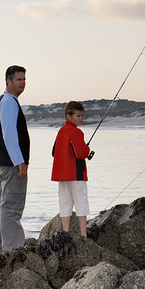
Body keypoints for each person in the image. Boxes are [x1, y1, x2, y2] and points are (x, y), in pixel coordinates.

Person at [0, 65, 30, 252]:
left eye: (24, 79)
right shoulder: (8, 102)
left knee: (0, 204)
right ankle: (13, 249)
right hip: (11, 164)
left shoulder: (3, 101)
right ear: (8, 81)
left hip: (3, 162)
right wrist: (19, 161)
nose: (22, 83)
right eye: (18, 79)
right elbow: (9, 134)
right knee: (11, 207)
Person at [51, 101, 94, 238]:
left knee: (65, 204)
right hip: (76, 174)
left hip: (62, 175)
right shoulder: (76, 132)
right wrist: (88, 150)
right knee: (81, 203)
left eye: (82, 116)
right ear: (68, 116)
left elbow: (53, 152)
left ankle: (65, 233)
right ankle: (83, 234)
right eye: (78, 115)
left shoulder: (61, 131)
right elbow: (81, 153)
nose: (81, 119)